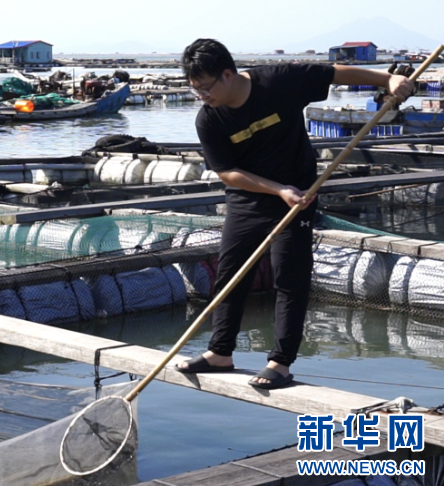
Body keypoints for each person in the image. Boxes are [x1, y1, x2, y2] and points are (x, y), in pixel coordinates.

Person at [174, 38, 413, 389]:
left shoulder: (279, 80)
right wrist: (276, 190)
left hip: (299, 193)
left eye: (205, 88)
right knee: (231, 273)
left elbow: (333, 73)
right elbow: (227, 172)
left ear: (228, 74)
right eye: (196, 90)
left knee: (290, 275)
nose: (202, 96)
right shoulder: (208, 119)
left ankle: (280, 364)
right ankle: (219, 353)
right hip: (250, 197)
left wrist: (386, 81)